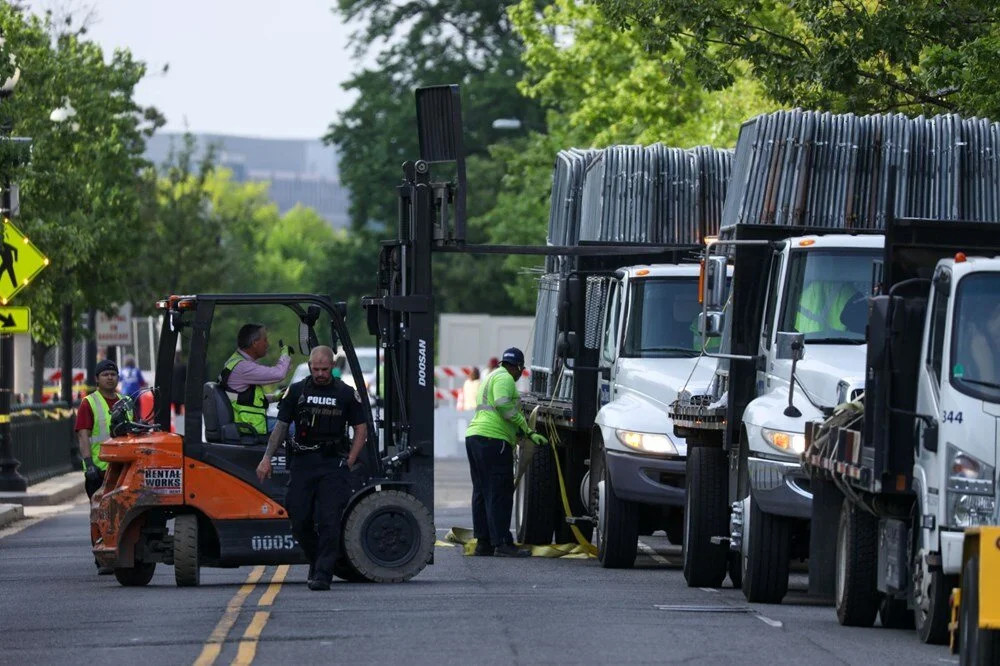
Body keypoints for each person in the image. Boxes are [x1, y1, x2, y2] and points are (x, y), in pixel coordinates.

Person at [256, 346, 367, 590]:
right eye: (315, 369)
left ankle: (323, 574)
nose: (319, 374)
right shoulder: (296, 391)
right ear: (309, 367)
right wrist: (266, 458)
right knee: (299, 518)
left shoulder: (346, 393)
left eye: (324, 369)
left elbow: (361, 428)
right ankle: (318, 559)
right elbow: (281, 426)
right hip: (303, 463)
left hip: (332, 464)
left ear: (332, 367)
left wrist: (350, 459)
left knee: (329, 520)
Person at [465, 347, 547, 557]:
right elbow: (502, 405)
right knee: (500, 492)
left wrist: (519, 433)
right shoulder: (506, 379)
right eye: (521, 369)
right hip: (493, 440)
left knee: (482, 492)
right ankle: (502, 542)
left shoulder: (491, 376)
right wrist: (526, 428)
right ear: (518, 367)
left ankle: (484, 542)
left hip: (476, 436)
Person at [219, 323, 292, 435]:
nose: (267, 344)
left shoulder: (235, 361)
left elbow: (243, 398)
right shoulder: (243, 367)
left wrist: (274, 398)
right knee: (295, 427)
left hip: (246, 421)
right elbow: (279, 374)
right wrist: (285, 354)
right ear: (254, 343)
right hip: (248, 426)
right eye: (265, 340)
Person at [76, 359, 129, 499]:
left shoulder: (127, 402)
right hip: (100, 471)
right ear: (97, 379)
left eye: (113, 374)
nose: (110, 377)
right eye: (105, 374)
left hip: (125, 469)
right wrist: (89, 464)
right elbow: (83, 435)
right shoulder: (89, 402)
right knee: (101, 516)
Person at [171, 351, 187, 415]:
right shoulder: (183, 366)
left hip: (173, 390)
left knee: (175, 409)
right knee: (181, 407)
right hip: (180, 391)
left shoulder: (172, 367)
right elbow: (185, 378)